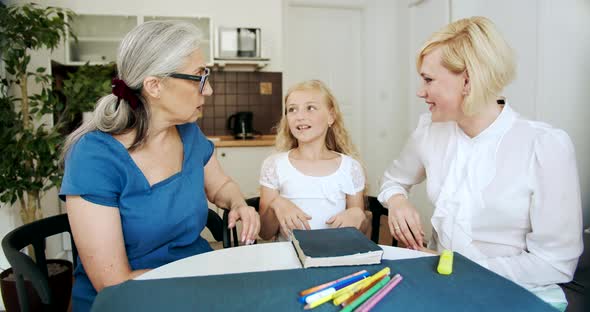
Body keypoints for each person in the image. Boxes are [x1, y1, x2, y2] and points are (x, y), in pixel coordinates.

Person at [378, 16, 582, 309]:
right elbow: (393, 181)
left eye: (428, 79)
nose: (420, 92)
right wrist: (397, 202)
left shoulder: (544, 146)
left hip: (515, 295)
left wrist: (456, 267)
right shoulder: (429, 131)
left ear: (468, 80)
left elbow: (555, 264)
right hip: (442, 287)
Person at [60, 21, 260, 312]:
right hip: (130, 299)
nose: (210, 90)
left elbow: (220, 187)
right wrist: (206, 280)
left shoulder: (188, 132)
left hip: (196, 280)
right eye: (199, 77)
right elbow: (113, 282)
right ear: (154, 85)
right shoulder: (94, 158)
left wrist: (238, 203)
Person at [258, 80, 370, 241]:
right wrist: (276, 203)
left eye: (310, 108)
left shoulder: (351, 168)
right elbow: (265, 233)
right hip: (288, 259)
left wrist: (359, 215)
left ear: (331, 116)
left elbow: (361, 233)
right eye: (292, 110)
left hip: (335, 258)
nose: (300, 116)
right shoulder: (274, 165)